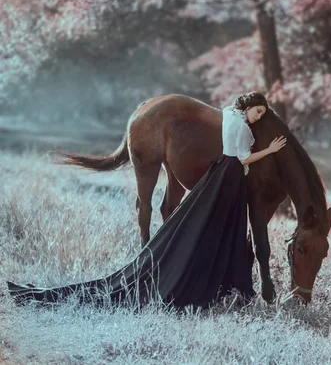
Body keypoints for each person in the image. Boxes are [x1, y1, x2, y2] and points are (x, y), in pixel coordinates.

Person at [6, 92, 287, 310]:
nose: (258, 117)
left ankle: (214, 280)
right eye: (257, 111)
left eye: (262, 113)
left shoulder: (230, 114)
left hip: (228, 175)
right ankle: (178, 269)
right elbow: (240, 158)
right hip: (229, 174)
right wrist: (271, 150)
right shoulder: (237, 122)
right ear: (248, 106)